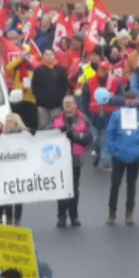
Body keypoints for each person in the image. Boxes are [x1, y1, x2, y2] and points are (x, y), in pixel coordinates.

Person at [106, 90, 139, 225]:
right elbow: (110, 133)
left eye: (133, 99)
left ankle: (129, 212)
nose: (131, 101)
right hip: (119, 155)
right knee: (115, 184)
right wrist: (113, 150)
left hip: (135, 156)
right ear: (124, 100)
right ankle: (112, 213)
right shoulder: (116, 115)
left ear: (137, 100)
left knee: (131, 185)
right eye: (128, 99)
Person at [52, 96, 91, 227]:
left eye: (70, 103)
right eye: (65, 104)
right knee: (62, 187)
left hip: (75, 158)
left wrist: (74, 136)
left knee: (74, 188)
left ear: (75, 105)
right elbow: (45, 135)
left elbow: (89, 138)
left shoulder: (83, 119)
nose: (67, 106)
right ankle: (61, 216)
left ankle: (74, 216)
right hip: (59, 159)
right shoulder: (56, 119)